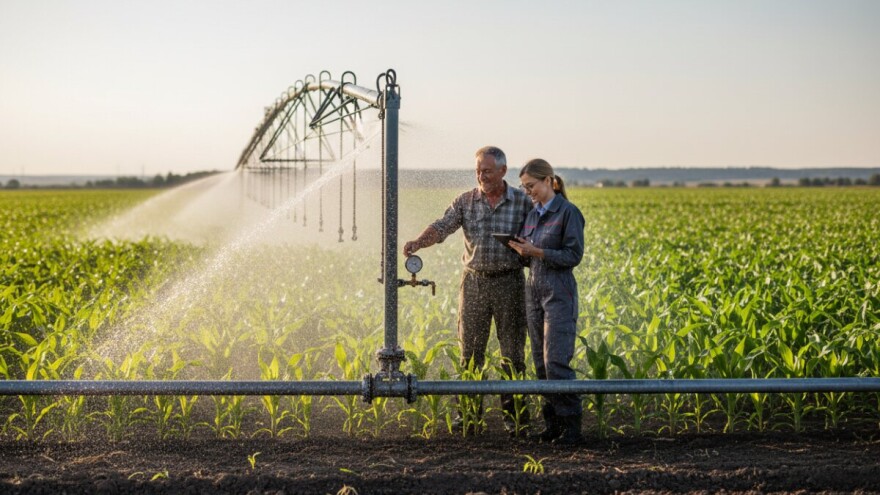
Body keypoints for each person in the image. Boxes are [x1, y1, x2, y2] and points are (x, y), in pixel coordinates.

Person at [403, 146, 533, 434]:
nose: (481, 176)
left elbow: (541, 234)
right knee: (470, 353)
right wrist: (418, 242)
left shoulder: (523, 202)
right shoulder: (465, 201)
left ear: (502, 171)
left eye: (487, 171)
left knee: (512, 353)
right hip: (474, 282)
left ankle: (515, 418)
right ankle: (469, 415)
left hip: (510, 281)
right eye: (477, 170)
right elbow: (441, 227)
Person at [509, 158, 585, 445]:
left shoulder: (568, 212)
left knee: (556, 362)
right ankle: (552, 425)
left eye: (531, 186)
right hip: (534, 292)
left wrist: (537, 252)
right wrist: (520, 250)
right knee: (540, 364)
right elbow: (532, 255)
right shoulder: (531, 215)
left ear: (548, 181)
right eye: (524, 187)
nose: (528, 191)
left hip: (559, 293)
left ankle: (572, 426)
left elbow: (572, 256)